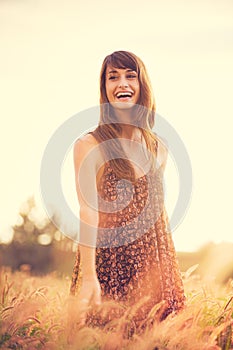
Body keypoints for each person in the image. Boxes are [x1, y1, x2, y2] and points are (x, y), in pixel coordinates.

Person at [70, 50, 185, 331]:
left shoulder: (160, 147)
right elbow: (88, 210)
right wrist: (89, 278)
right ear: (105, 89)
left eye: (130, 76)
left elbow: (157, 216)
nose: (122, 83)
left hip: (156, 267)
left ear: (142, 85)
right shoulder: (90, 144)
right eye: (113, 77)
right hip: (110, 268)